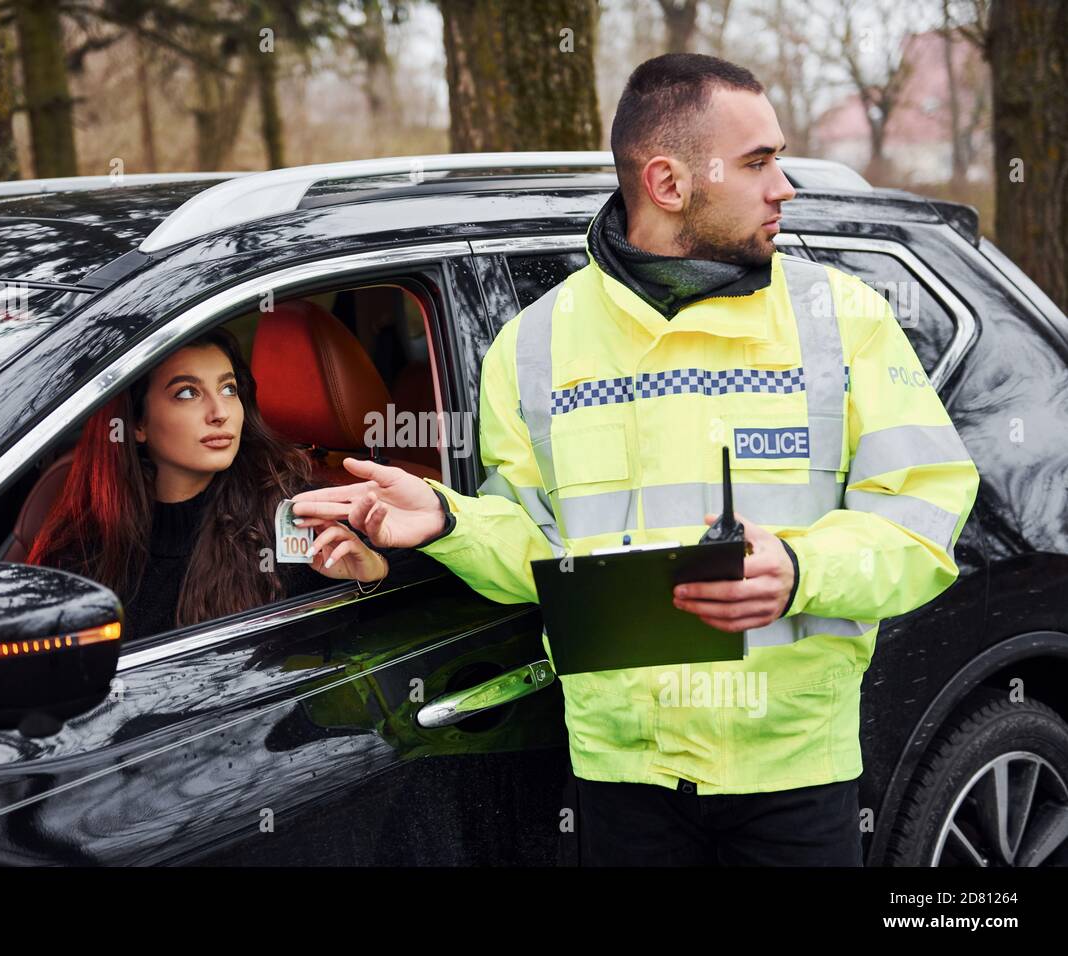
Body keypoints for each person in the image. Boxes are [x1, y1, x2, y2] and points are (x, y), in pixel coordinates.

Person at [290, 53, 981, 866]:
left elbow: (923, 519)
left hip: (795, 773)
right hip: (620, 779)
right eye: (758, 162)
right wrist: (449, 521)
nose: (783, 187)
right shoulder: (533, 347)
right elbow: (542, 558)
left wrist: (801, 570)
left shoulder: (845, 321)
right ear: (667, 182)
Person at [28, 327, 388, 641]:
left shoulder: (291, 512)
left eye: (229, 389)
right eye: (188, 393)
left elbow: (374, 629)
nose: (220, 413)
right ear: (137, 424)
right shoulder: (85, 537)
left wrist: (373, 573)